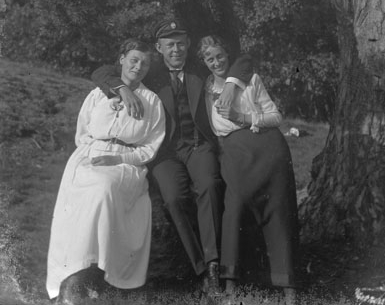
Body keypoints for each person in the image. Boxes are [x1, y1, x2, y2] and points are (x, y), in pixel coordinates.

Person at [91, 17, 253, 297]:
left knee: (210, 186)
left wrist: (230, 84)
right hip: (164, 152)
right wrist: (123, 89)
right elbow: (101, 71)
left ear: (188, 44)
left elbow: (244, 60)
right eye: (169, 45)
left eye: (180, 44)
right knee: (174, 198)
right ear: (159, 48)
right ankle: (200, 267)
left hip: (198, 145)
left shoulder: (199, 67)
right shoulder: (149, 71)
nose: (176, 50)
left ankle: (214, 265)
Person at [46, 39, 165, 304]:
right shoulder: (98, 94)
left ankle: (93, 271)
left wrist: (117, 157)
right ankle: (72, 274)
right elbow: (83, 133)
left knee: (103, 188)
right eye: (134, 60)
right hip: (90, 156)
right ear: (121, 59)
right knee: (78, 197)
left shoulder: (152, 102)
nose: (138, 67)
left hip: (125, 164)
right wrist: (91, 154)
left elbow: (149, 149)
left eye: (145, 63)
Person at [197, 35, 299, 304]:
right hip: (234, 152)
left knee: (278, 211)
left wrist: (242, 117)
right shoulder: (204, 88)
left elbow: (276, 117)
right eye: (210, 58)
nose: (216, 62)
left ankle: (288, 287)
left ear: (227, 55)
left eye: (220, 56)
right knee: (235, 207)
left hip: (269, 150)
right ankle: (231, 285)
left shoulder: (250, 80)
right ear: (203, 62)